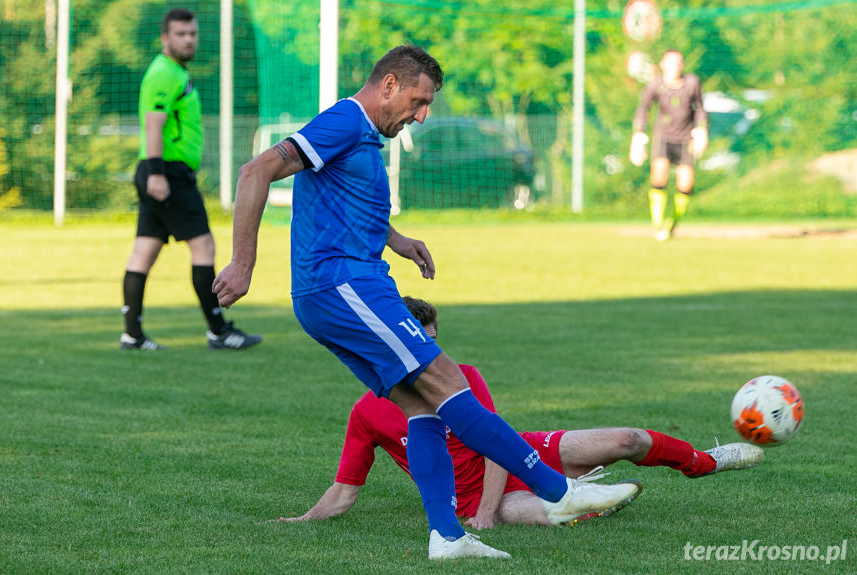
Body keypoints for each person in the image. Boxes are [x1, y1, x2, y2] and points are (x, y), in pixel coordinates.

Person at [212, 45, 642, 560]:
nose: (421, 115)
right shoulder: (345, 120)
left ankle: (448, 537)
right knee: (450, 384)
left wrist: (395, 240)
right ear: (388, 84)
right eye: (418, 101)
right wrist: (242, 262)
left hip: (343, 287)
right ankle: (561, 491)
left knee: (423, 407)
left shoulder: (360, 136)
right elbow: (256, 170)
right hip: (344, 286)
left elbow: (339, 199)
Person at [277, 297, 764, 529]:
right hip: (467, 499)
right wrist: (302, 521)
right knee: (557, 515)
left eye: (433, 336)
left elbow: (495, 446)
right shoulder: (367, 412)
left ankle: (707, 461)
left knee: (629, 440)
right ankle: (589, 492)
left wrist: (487, 516)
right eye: (419, 337)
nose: (430, 347)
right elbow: (345, 490)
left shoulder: (460, 374)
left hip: (521, 454)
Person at [120, 8, 261, 351]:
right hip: (165, 172)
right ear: (165, 38)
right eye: (181, 34)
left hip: (163, 171)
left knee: (144, 250)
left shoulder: (173, 72)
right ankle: (218, 330)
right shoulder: (164, 73)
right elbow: (153, 125)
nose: (189, 40)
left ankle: (132, 336)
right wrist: (156, 173)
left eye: (193, 34)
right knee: (203, 246)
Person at [630, 49, 708, 241]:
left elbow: (700, 108)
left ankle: (672, 223)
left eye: (678, 62)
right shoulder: (655, 85)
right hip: (663, 137)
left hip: (685, 139)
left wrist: (701, 129)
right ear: (663, 64)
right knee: (659, 175)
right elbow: (643, 110)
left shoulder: (691, 83)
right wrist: (638, 135)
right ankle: (658, 224)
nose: (675, 66)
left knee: (686, 183)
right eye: (671, 62)